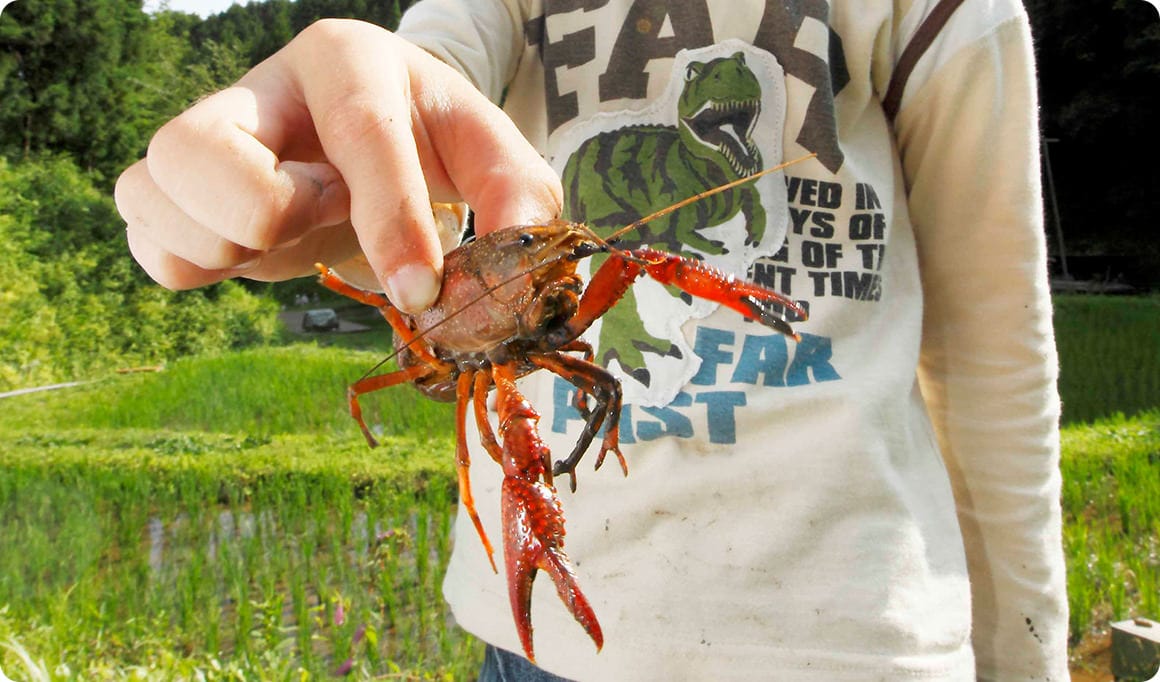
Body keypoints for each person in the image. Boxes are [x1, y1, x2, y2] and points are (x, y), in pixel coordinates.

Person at [114, 1, 1069, 679]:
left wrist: (1027, 657)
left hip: (872, 635)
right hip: (533, 652)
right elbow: (418, 89)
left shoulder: (946, 12)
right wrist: (325, 183)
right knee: (509, 457)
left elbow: (998, 363)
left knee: (635, 279)